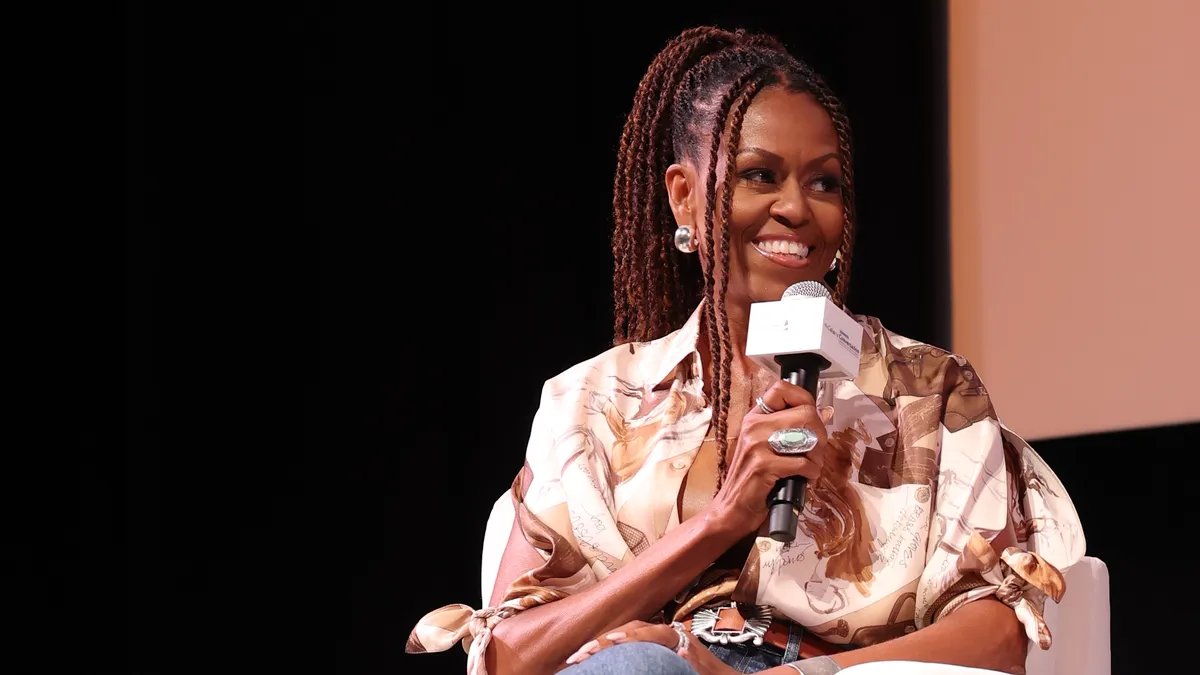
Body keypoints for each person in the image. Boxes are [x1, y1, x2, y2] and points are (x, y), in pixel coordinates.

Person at [406, 25, 1085, 675]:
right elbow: (506, 657)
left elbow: (996, 634)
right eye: (761, 175)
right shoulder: (591, 404)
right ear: (684, 197)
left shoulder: (927, 393)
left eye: (824, 183)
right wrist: (719, 522)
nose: (797, 207)